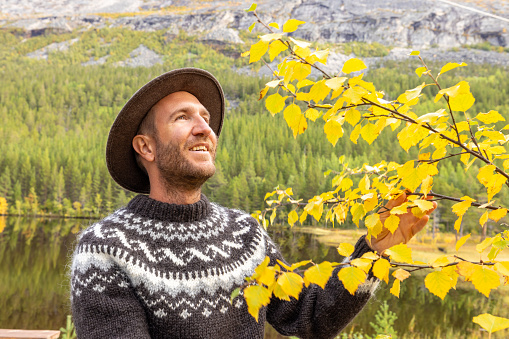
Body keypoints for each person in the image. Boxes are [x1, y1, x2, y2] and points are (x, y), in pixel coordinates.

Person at [70, 68, 436, 339]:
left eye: (206, 119)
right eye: (183, 118)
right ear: (145, 147)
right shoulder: (105, 250)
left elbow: (307, 315)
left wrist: (372, 252)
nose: (205, 129)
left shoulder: (244, 233)